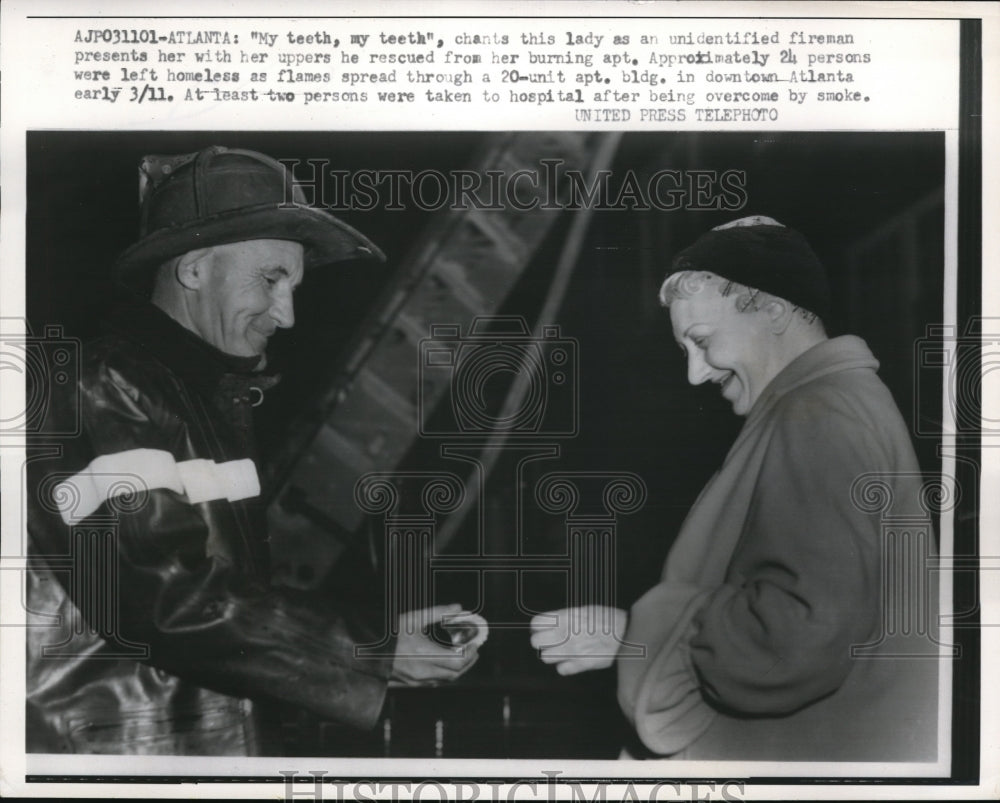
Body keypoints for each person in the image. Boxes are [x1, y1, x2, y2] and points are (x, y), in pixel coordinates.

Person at [26, 146, 479, 755]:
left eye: (294, 286)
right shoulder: (108, 386)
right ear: (193, 270)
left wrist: (375, 639)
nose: (287, 315)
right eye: (270, 279)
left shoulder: (196, 398)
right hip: (126, 756)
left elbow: (226, 597)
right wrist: (368, 649)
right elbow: (164, 595)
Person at [531, 216, 940, 761]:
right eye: (685, 352)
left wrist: (642, 632)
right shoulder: (837, 402)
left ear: (772, 310)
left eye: (702, 341)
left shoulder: (816, 413)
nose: (695, 375)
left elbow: (795, 638)